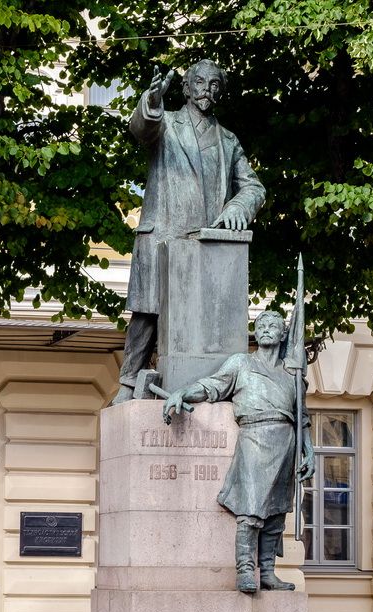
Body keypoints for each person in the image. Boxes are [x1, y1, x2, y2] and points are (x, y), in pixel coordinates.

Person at [111, 59, 267, 405]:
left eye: (214, 85)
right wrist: (151, 100)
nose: (206, 91)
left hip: (207, 243)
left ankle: (205, 385)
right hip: (164, 233)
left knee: (204, 320)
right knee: (148, 313)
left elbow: (253, 187)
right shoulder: (166, 123)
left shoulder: (228, 140)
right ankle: (128, 381)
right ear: (186, 87)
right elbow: (142, 128)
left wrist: (237, 208)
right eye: (199, 83)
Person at [162, 310, 314, 593]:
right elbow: (212, 387)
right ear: (255, 333)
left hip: (286, 441)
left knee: (278, 510)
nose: (267, 330)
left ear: (283, 335)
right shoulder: (242, 364)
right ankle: (245, 568)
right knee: (252, 506)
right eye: (262, 325)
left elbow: (301, 415)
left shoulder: (290, 374)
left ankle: (267, 571)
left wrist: (309, 450)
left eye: (274, 326)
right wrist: (182, 393)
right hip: (255, 437)